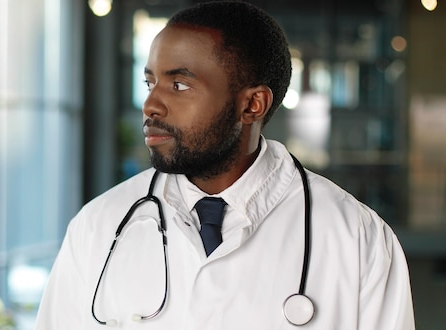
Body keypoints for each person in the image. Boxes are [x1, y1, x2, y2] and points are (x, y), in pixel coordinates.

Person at [34, 1, 415, 329]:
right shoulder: (97, 228)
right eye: (150, 82)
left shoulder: (358, 239)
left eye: (179, 85)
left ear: (252, 105)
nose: (151, 105)